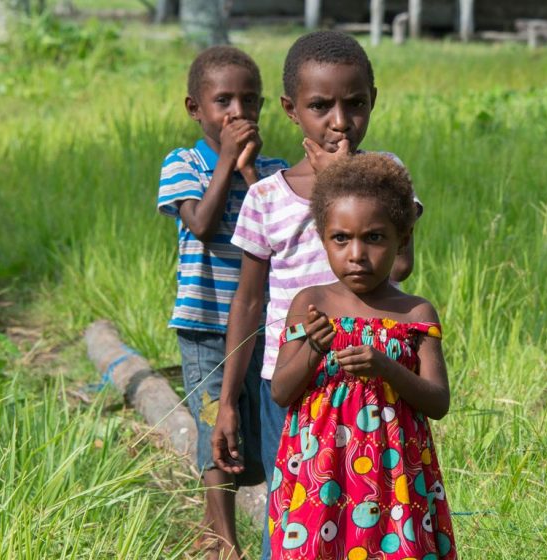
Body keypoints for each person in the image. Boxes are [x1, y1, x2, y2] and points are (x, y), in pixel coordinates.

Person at [210, 31, 420, 558]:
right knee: (293, 512)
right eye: (321, 106)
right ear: (290, 108)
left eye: (355, 104)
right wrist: (227, 401)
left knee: (371, 509)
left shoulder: (387, 175)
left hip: (374, 379)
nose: (340, 122)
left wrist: (345, 184)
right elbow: (249, 303)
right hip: (293, 381)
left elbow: (401, 264)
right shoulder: (265, 196)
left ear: (373, 98)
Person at [269, 153, 455, 560]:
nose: (356, 253)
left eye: (374, 238)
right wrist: (314, 348)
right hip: (322, 473)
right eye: (341, 238)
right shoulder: (310, 303)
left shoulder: (416, 314)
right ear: (323, 238)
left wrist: (385, 367)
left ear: (402, 240)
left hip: (395, 476)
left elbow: (438, 401)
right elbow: (281, 392)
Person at [156, 45, 287, 560]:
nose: (238, 113)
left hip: (263, 322)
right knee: (217, 422)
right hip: (207, 324)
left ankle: (263, 523)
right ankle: (222, 539)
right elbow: (203, 224)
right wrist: (226, 165)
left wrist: (251, 172)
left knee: (254, 424)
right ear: (196, 108)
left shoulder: (273, 171)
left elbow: (277, 232)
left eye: (250, 101)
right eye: (224, 101)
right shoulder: (182, 163)